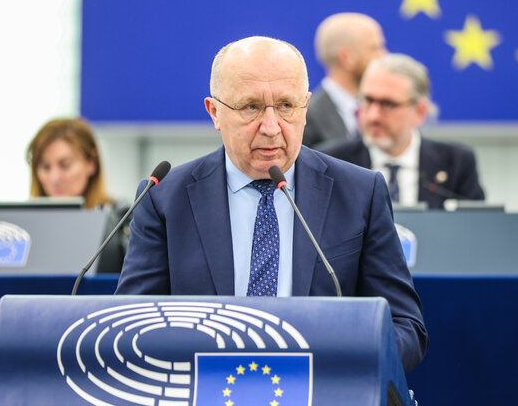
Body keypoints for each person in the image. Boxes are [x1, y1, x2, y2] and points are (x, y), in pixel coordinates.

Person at [115, 36, 427, 372]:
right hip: (198, 403)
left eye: (286, 106)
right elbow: (131, 325)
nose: (271, 127)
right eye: (250, 107)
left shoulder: (360, 192)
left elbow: (405, 326)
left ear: (305, 107)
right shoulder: (164, 198)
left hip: (323, 404)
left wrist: (344, 365)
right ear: (215, 112)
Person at [319, 53, 485, 209]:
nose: (373, 115)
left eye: (388, 104)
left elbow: (474, 230)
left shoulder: (456, 163)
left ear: (419, 111)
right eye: (368, 100)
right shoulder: (331, 162)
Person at [26, 118, 130, 273]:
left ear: (92, 163)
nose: (54, 178)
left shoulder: (121, 219)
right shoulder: (24, 228)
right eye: (45, 167)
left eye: (65, 165)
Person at [302, 12, 387, 148]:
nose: (384, 55)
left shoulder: (378, 112)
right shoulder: (306, 120)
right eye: (374, 48)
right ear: (347, 58)